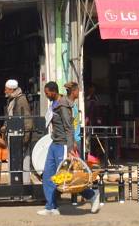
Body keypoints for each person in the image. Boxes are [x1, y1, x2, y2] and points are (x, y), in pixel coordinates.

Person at [36, 81, 100, 216]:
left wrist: (70, 147)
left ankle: (92, 195)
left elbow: (69, 127)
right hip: (54, 144)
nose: (46, 95)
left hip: (63, 145)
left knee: (68, 177)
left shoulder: (63, 105)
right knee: (48, 175)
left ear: (53, 92)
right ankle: (51, 207)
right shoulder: (54, 104)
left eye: (47, 93)